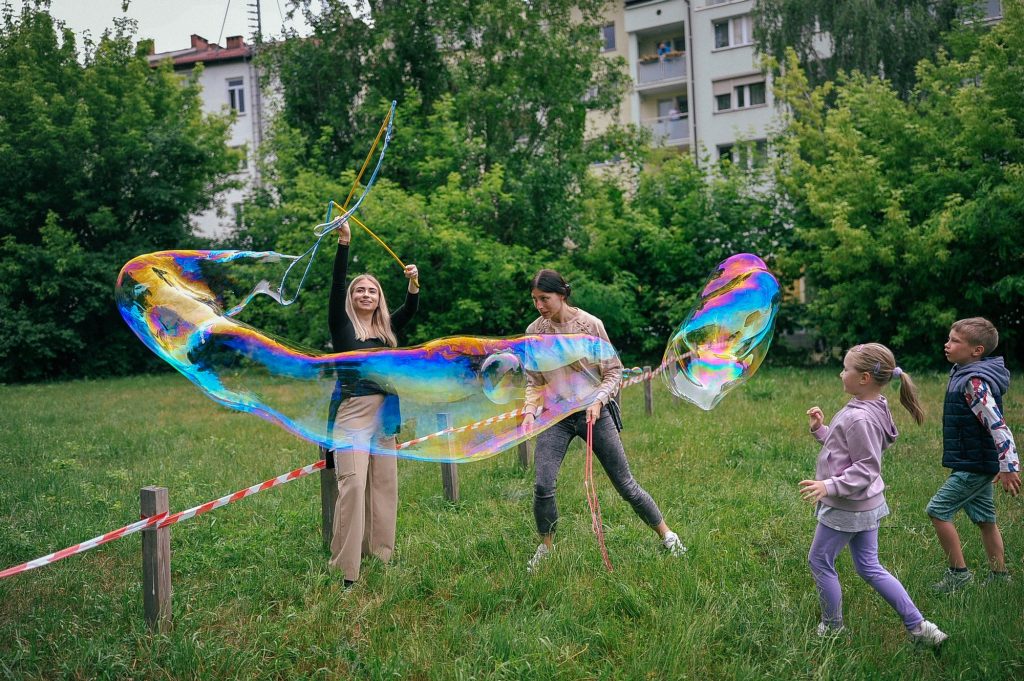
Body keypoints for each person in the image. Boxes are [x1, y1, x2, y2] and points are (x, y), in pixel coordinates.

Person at [522, 269, 685, 572]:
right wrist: (530, 410)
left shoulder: (590, 325)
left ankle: (668, 536)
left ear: (562, 294)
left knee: (625, 484)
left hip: (594, 413)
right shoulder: (535, 331)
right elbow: (534, 381)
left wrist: (598, 401)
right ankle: (545, 548)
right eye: (535, 300)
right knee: (543, 485)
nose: (539, 305)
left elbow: (613, 371)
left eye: (544, 298)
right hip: (556, 417)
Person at [800, 343, 947, 646]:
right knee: (869, 566)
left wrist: (829, 486)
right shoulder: (872, 406)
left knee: (820, 561)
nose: (841, 374)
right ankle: (921, 628)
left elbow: (866, 467)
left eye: (846, 369)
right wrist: (821, 430)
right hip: (866, 504)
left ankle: (832, 628)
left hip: (848, 506)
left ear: (864, 378)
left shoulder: (860, 418)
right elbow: (845, 448)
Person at [326, 218, 419, 587]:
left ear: (379, 299)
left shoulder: (385, 332)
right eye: (359, 290)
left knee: (383, 484)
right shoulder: (342, 327)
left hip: (385, 416)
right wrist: (344, 243)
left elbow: (409, 310)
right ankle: (345, 570)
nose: (366, 294)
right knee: (352, 485)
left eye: (372, 291)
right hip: (352, 413)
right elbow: (336, 285)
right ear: (351, 298)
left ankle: (380, 556)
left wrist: (413, 284)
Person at [928, 317, 1020, 592]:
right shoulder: (963, 373)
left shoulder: (974, 382)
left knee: (938, 510)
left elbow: (997, 425)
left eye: (955, 341)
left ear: (976, 351)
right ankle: (1000, 576)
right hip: (975, 460)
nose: (947, 344)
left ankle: (958, 575)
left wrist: (1009, 466)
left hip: (975, 464)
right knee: (985, 519)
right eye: (949, 338)